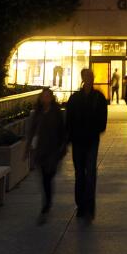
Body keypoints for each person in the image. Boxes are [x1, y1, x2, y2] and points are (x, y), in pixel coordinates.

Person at [65, 68, 108, 221]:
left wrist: (96, 129)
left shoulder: (99, 97)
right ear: (83, 78)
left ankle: (88, 206)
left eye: (91, 76)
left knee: (90, 172)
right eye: (86, 76)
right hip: (78, 140)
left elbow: (103, 119)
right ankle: (81, 206)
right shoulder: (75, 98)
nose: (89, 78)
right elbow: (68, 119)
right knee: (80, 173)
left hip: (91, 140)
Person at [25, 87, 67, 223]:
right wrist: (27, 148)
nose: (46, 99)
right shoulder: (37, 113)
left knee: (49, 176)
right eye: (44, 96)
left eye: (48, 96)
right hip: (41, 150)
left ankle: (47, 202)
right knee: (44, 178)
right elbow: (31, 131)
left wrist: (63, 147)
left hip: (53, 151)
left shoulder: (57, 113)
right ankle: (46, 203)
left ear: (52, 98)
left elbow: (63, 131)